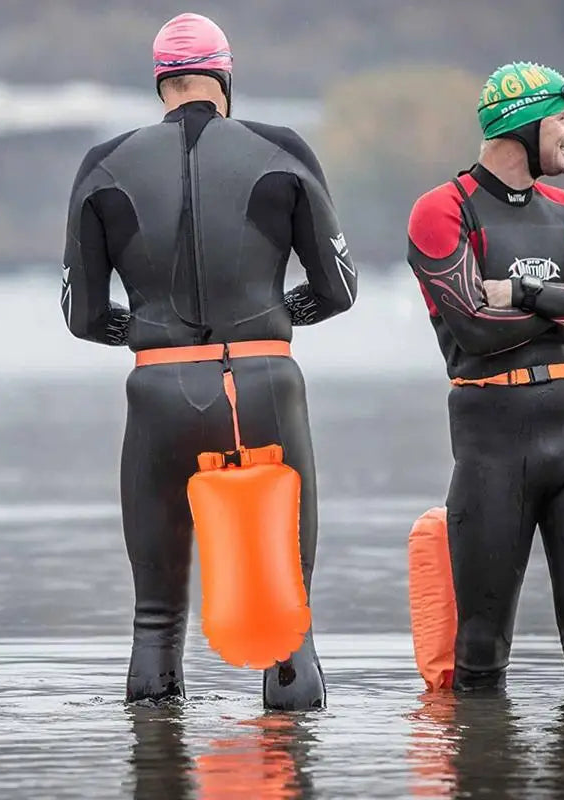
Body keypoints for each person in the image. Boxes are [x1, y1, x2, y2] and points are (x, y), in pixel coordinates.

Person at [61, 12, 356, 709]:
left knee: (156, 622)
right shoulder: (280, 148)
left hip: (158, 392)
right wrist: (280, 317)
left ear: (161, 82)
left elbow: (82, 317)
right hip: (263, 387)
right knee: (287, 625)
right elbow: (338, 289)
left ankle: (155, 765)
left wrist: (148, 334)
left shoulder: (104, 163)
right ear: (224, 79)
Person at [406, 62, 564, 694]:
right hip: (491, 444)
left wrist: (525, 290)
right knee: (480, 654)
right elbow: (476, 331)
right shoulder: (441, 209)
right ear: (525, 123)